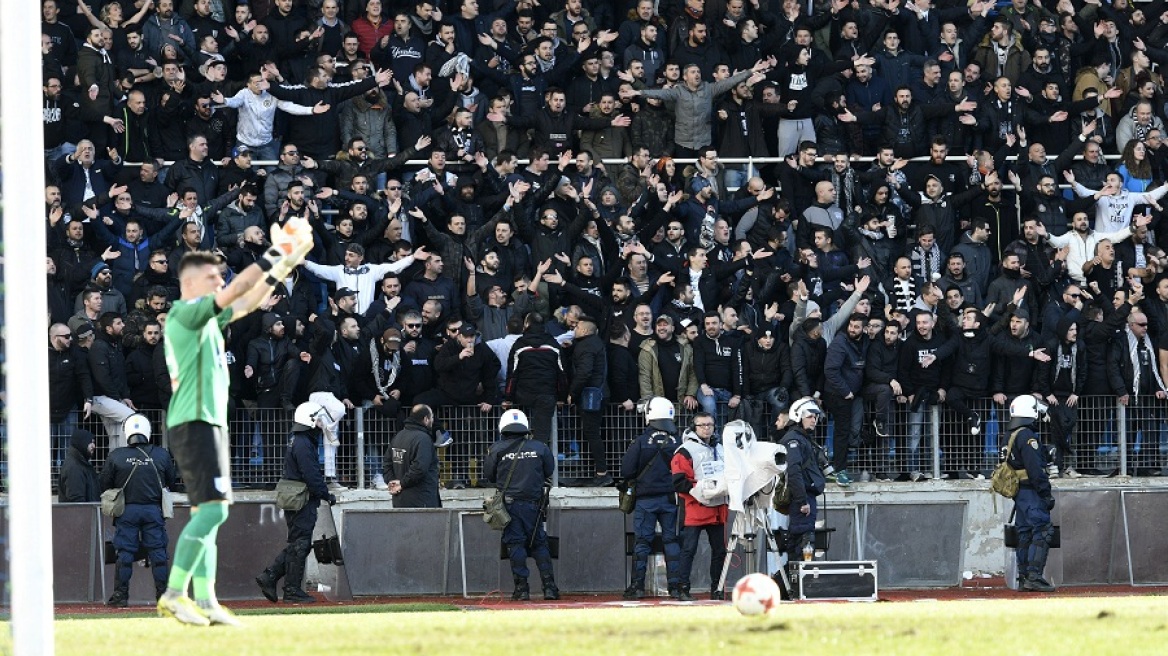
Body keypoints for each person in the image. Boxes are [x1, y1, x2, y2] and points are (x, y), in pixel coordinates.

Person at [157, 216, 315, 626]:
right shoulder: (184, 312)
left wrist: (282, 268)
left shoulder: (204, 318)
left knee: (212, 512)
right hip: (193, 420)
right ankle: (175, 594)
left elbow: (245, 301)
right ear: (191, 282)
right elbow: (237, 292)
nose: (219, 281)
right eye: (213, 276)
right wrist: (278, 253)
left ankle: (206, 602)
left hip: (208, 421)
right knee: (211, 512)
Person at [256, 402, 337, 605]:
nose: (321, 423)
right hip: (302, 499)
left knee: (298, 543)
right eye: (318, 419)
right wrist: (326, 494)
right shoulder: (303, 442)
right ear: (309, 420)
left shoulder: (300, 440)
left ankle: (271, 577)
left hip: (299, 497)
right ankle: (290, 589)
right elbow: (310, 474)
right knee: (300, 544)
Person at [101, 414, 177, 606]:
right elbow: (171, 481)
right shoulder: (161, 454)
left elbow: (104, 483)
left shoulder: (116, 456)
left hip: (127, 512)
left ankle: (120, 596)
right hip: (153, 510)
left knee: (124, 554)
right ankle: (163, 596)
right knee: (158, 554)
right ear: (148, 432)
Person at [484, 409, 559, 601]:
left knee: (515, 544)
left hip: (509, 507)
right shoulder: (540, 447)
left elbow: (490, 476)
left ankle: (522, 589)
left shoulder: (497, 449)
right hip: (534, 506)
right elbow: (549, 470)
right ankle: (550, 588)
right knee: (540, 544)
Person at [620, 396, 683, 600]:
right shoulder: (678, 441)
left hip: (645, 500)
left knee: (642, 543)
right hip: (670, 499)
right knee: (671, 541)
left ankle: (637, 587)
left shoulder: (640, 441)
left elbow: (626, 470)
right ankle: (675, 587)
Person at [670, 412, 728, 601]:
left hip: (717, 508)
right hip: (694, 507)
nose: (706, 428)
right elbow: (679, 482)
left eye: (710, 424)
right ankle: (682, 588)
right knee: (688, 550)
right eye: (702, 425)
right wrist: (700, 491)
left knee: (720, 551)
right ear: (694, 427)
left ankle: (717, 589)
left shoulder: (720, 448)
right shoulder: (685, 450)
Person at [1002, 394, 1057, 593]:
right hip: (1032, 492)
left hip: (1020, 493)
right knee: (1042, 529)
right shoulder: (1027, 436)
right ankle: (1034, 576)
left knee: (1024, 533)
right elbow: (1035, 469)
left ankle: (1024, 576)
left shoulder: (1010, 435)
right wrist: (1046, 493)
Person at [778, 397, 827, 568]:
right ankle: (799, 585)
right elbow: (794, 471)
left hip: (806, 497)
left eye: (815, 416)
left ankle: (796, 585)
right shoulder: (794, 439)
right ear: (798, 416)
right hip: (802, 498)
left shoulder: (802, 438)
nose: (814, 419)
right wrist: (801, 500)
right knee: (803, 542)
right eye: (809, 416)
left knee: (800, 540)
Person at [385, 404, 441, 508]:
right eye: (432, 417)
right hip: (423, 502)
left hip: (400, 501)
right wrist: (401, 484)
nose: (433, 420)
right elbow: (419, 468)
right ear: (426, 419)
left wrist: (392, 482)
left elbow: (387, 464)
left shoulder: (398, 436)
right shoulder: (424, 439)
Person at [58, 428, 100, 503]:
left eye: (93, 442)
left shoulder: (82, 463)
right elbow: (77, 502)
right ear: (81, 443)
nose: (94, 446)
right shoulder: (74, 468)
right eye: (90, 442)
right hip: (81, 513)